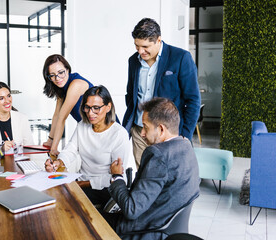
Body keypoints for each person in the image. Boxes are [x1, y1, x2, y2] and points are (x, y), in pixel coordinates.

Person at [104, 97, 200, 240]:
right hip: (166, 226)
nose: (142, 133)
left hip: (144, 231)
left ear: (161, 129)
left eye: (145, 127)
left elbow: (132, 210)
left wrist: (117, 177)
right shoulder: (186, 146)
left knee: (88, 216)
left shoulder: (158, 155)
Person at [122, 18, 201, 167]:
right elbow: (130, 95)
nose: (140, 51)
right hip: (140, 131)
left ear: (158, 40)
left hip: (168, 134)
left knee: (168, 179)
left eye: (145, 46)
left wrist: (185, 135)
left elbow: (193, 100)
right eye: (137, 46)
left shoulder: (181, 58)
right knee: (144, 176)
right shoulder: (133, 61)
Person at [45, 85, 132, 209]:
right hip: (81, 182)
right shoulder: (82, 126)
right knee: (53, 194)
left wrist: (82, 184)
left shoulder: (119, 134)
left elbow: (115, 175)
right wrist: (58, 162)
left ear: (108, 107)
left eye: (96, 108)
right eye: (87, 107)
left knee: (64, 202)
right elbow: (71, 149)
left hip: (104, 188)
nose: (90, 113)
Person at [42, 54, 93, 158]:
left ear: (67, 69)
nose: (57, 78)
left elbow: (62, 117)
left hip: (106, 130)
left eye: (61, 72)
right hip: (89, 130)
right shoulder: (61, 86)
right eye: (52, 75)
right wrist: (50, 141)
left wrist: (54, 148)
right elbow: (57, 115)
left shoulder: (76, 85)